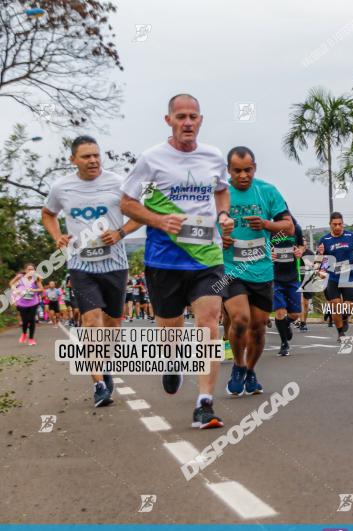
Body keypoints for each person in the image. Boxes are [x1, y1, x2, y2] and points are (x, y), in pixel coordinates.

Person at [120, 93, 234, 429]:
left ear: (201, 120)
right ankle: (171, 361)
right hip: (164, 259)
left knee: (208, 326)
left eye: (193, 116)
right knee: (169, 330)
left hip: (207, 257)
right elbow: (127, 203)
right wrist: (158, 220)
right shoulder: (152, 159)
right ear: (168, 120)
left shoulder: (213, 156)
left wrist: (224, 213)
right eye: (181, 116)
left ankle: (205, 404)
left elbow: (220, 189)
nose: (187, 122)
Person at [43, 135, 142, 407]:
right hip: (81, 265)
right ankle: (98, 383)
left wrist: (121, 232)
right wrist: (57, 237)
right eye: (86, 156)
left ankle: (105, 364)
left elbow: (140, 213)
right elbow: (48, 214)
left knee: (112, 324)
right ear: (73, 160)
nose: (93, 160)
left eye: (96, 155)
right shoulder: (62, 187)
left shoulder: (118, 182)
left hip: (115, 264)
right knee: (92, 322)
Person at [221, 146, 292, 393]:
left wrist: (266, 224)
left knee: (259, 327)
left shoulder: (267, 191)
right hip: (230, 268)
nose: (243, 176)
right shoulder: (220, 194)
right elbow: (201, 228)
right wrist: (219, 239)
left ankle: (250, 371)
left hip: (261, 269)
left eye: (248, 170)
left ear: (255, 168)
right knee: (240, 319)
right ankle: (238, 365)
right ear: (228, 170)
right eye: (237, 171)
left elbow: (288, 228)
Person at [318, 213, 353, 342]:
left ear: (343, 224)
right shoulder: (324, 240)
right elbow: (323, 258)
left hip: (348, 275)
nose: (337, 227)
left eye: (340, 224)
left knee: (349, 307)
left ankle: (344, 317)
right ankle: (340, 333)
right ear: (330, 224)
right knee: (335, 305)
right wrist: (322, 268)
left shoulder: (351, 236)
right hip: (332, 276)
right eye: (334, 224)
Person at [270, 211, 305, 356]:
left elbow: (302, 245)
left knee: (295, 314)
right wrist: (268, 254)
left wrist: (300, 252)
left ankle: (286, 325)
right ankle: (284, 343)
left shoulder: (296, 228)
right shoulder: (269, 229)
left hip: (292, 277)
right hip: (275, 277)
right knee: (279, 311)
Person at [10, 264, 43, 346]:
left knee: (31, 320)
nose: (31, 271)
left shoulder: (36, 278)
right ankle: (24, 334)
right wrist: (15, 290)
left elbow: (41, 289)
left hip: (33, 303)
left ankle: (31, 339)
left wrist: (33, 289)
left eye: (32, 269)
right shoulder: (20, 277)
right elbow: (11, 283)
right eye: (29, 269)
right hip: (21, 303)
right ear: (25, 270)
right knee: (25, 321)